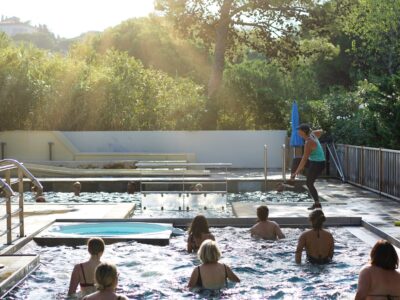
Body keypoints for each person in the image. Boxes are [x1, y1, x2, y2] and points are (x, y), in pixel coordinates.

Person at [290, 123, 325, 210]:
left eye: (300, 130)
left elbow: (304, 159)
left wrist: (297, 171)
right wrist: (312, 131)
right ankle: (292, 180)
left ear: (304, 132)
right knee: (296, 160)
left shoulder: (309, 142)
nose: (298, 132)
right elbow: (321, 131)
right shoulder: (312, 134)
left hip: (318, 163)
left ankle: (317, 204)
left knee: (309, 183)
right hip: (314, 161)